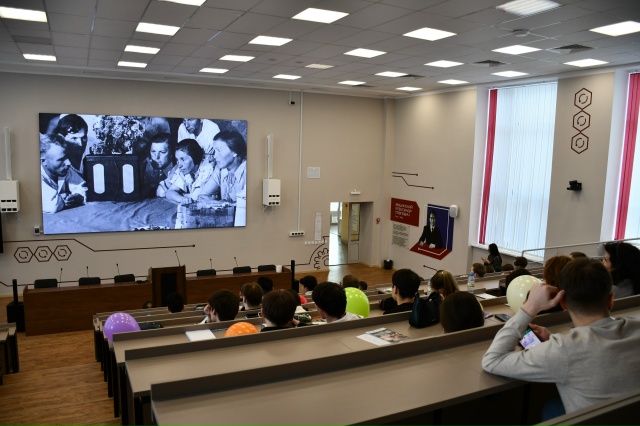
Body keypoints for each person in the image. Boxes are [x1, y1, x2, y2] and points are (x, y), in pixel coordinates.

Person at [482, 258, 640, 416]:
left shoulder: (564, 349)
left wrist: (530, 307)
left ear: (563, 303)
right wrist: (552, 341)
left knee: (550, 409)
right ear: (611, 300)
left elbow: (492, 360)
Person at [40, 134, 87, 213]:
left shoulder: (64, 169)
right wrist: (64, 196)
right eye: (61, 159)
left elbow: (82, 186)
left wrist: (78, 196)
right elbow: (52, 206)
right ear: (44, 161)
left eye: (67, 157)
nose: (68, 163)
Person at [162, 138, 214, 204]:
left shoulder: (207, 169)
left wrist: (182, 194)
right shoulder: (184, 170)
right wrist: (183, 199)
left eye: (183, 159)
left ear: (195, 157)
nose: (179, 165)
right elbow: (169, 193)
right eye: (177, 160)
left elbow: (195, 197)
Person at [202, 130, 247, 203]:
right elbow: (202, 196)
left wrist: (218, 203)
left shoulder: (249, 172)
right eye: (214, 151)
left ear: (235, 152)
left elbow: (247, 205)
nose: (215, 156)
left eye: (219, 150)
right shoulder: (220, 169)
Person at [141, 132, 177, 199]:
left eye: (162, 152)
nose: (156, 157)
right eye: (153, 151)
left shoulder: (178, 170)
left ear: (171, 154)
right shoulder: (145, 167)